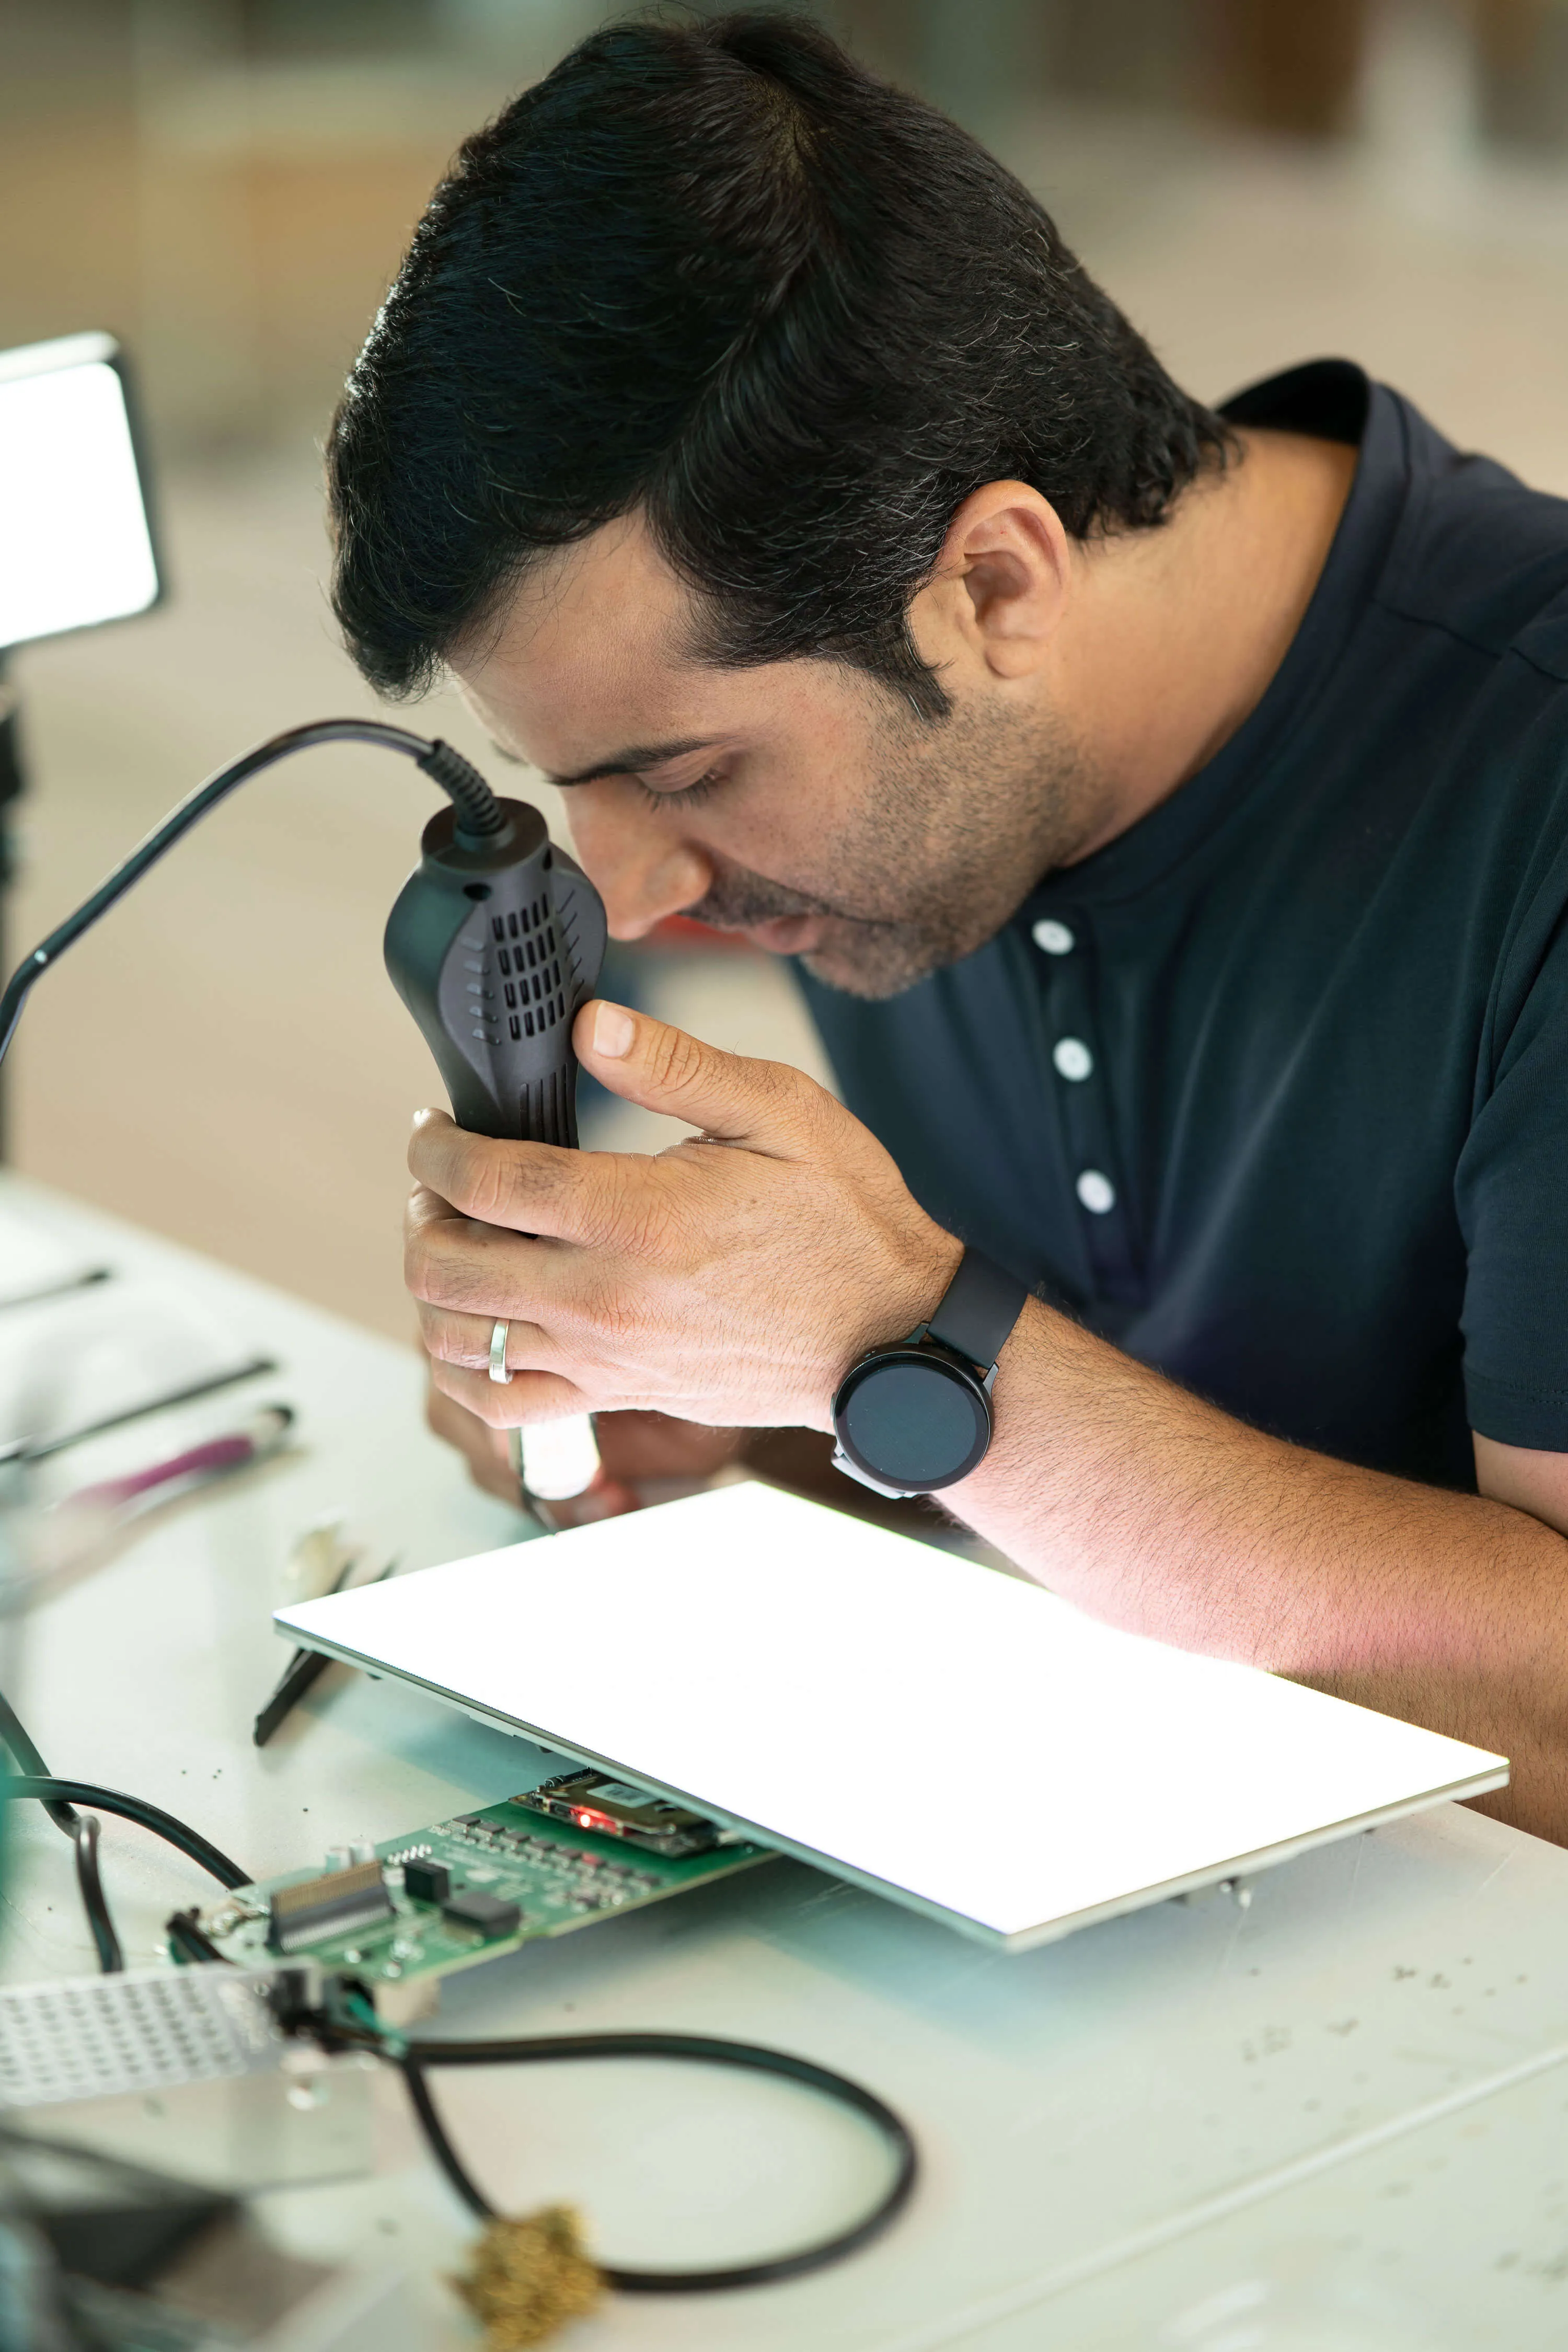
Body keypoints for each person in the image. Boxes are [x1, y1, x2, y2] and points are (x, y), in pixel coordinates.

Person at [327, 14, 1568, 1840]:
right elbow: (1115, 1480)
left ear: (994, 582)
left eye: (687, 769)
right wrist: (760, 1412)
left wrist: (918, 1345)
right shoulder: (944, 802)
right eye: (566, 780)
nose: (639, 895)